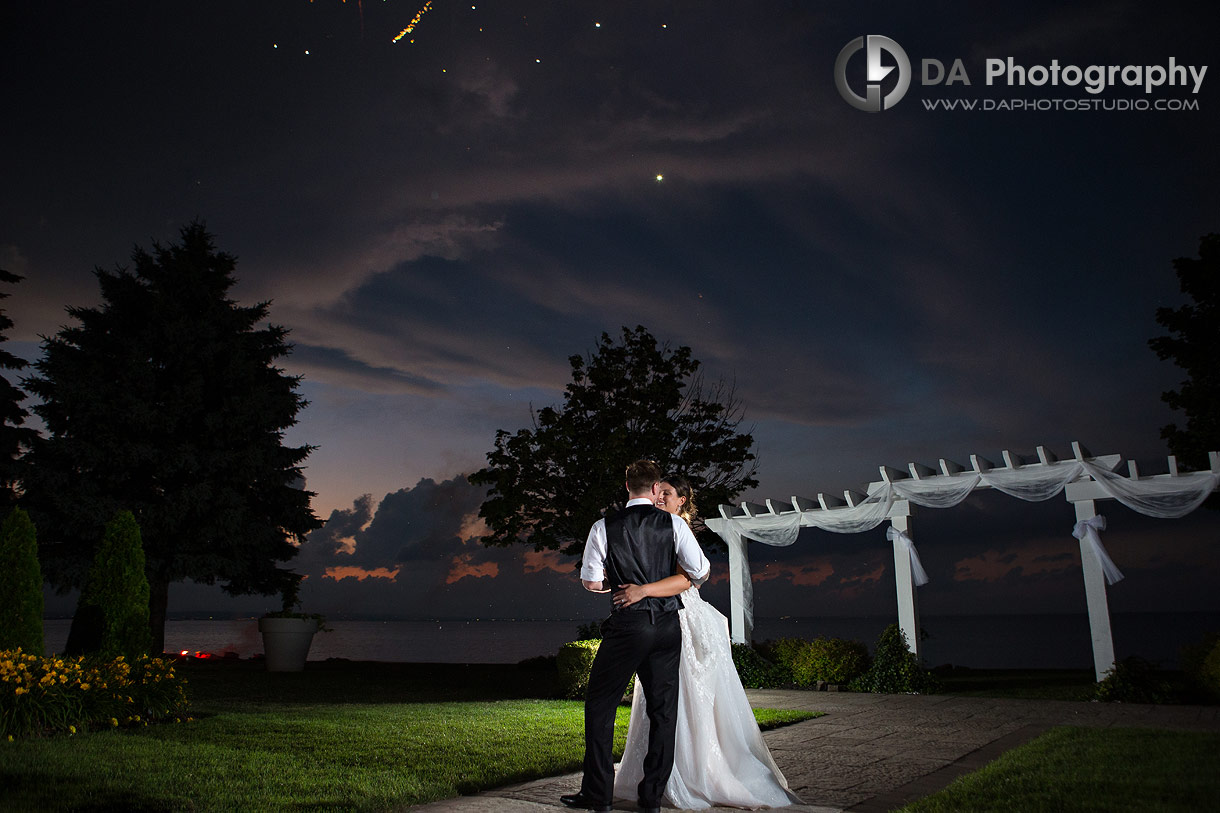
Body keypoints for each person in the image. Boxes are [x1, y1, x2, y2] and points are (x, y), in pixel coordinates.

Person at [613, 475, 798, 810]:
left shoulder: (676, 529)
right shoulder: (653, 527)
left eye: (667, 493)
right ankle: (654, 776)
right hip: (658, 617)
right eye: (658, 492)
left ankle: (691, 771)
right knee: (658, 699)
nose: (659, 497)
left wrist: (643, 590)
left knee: (685, 697)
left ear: (682, 500)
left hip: (681, 617)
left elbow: (691, 577)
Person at [561, 460, 711, 813]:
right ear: (656, 488)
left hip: (628, 626)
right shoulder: (673, 523)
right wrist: (653, 586)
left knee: (600, 705)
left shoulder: (604, 526)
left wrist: (623, 585)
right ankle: (651, 798)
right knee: (664, 712)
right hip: (666, 625)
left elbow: (593, 583)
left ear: (627, 485)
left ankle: (598, 795)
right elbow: (700, 570)